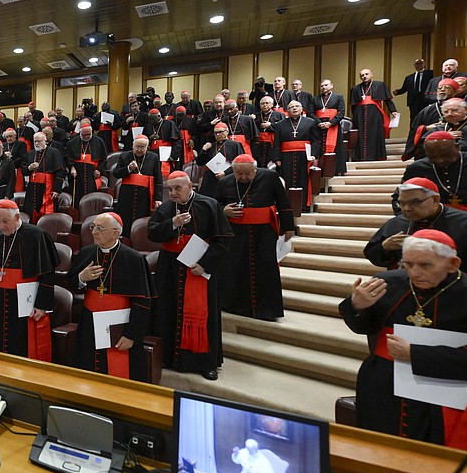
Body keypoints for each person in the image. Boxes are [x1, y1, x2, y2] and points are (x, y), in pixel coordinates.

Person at [339, 230, 467, 456]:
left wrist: (416, 355)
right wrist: (357, 306)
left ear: (453, 263)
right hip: (384, 390)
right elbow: (362, 327)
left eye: (425, 265)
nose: (414, 273)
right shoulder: (387, 284)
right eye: (408, 264)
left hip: (448, 396)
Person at [148, 172, 231, 379]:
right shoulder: (166, 209)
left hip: (199, 270)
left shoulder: (209, 205)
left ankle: (206, 363)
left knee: (204, 316)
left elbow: (223, 241)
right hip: (170, 268)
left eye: (177, 188)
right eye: (170, 189)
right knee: (168, 311)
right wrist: (173, 224)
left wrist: (204, 265)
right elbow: (152, 233)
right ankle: (168, 357)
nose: (173, 193)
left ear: (190, 186)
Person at [364, 178, 467, 290]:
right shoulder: (396, 223)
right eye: (401, 203)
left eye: (414, 202)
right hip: (405, 290)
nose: (406, 209)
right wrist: (384, 247)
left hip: (455, 293)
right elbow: (373, 255)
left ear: (435, 200)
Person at [65, 212, 151, 380]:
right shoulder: (87, 252)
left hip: (120, 326)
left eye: (99, 228)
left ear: (115, 232)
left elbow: (143, 302)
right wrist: (82, 278)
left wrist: (132, 334)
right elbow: (71, 283)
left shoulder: (134, 259)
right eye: (93, 227)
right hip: (89, 322)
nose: (94, 232)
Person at [216, 155, 295, 321]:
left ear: (255, 169)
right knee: (235, 268)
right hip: (235, 233)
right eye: (239, 174)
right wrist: (224, 211)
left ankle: (266, 310)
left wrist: (288, 227)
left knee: (265, 269)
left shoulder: (270, 177)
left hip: (264, 233)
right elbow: (215, 205)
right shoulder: (224, 182)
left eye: (247, 174)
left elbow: (283, 202)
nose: (243, 178)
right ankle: (234, 306)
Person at [0, 200, 57, 361]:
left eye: (5, 221)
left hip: (25, 300)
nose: (1, 226)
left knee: (23, 345)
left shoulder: (36, 235)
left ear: (17, 217)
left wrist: (41, 305)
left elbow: (47, 274)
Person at [271, 100, 321, 208]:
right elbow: (276, 143)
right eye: (291, 107)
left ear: (302, 109)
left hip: (304, 156)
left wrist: (313, 154)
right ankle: (287, 206)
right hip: (285, 157)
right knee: (287, 180)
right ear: (287, 111)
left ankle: (303, 205)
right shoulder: (279, 125)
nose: (294, 108)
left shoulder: (310, 122)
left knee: (303, 180)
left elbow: (316, 141)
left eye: (297, 106)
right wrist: (277, 158)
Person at [111, 136, 162, 228]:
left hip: (145, 196)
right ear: (132, 146)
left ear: (147, 147)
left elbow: (158, 179)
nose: (139, 149)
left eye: (142, 147)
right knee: (125, 220)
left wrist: (157, 198)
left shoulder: (153, 157)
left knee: (142, 221)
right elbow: (116, 173)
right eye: (137, 146)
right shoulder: (124, 156)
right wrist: (128, 168)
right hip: (127, 195)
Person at [349, 68, 398, 161]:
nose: (364, 76)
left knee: (376, 134)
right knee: (361, 136)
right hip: (360, 115)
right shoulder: (356, 88)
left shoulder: (380, 85)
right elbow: (353, 105)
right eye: (362, 75)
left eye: (366, 74)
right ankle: (361, 157)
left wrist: (393, 111)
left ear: (371, 74)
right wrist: (355, 118)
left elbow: (388, 100)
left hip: (375, 114)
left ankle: (377, 156)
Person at [21, 131, 65, 220]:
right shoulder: (31, 154)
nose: (37, 143)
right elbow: (23, 170)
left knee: (47, 211)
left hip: (48, 187)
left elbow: (60, 171)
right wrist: (29, 168)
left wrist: (56, 189)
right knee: (31, 210)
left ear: (45, 141)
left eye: (39, 141)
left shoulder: (54, 152)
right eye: (35, 141)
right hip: (32, 188)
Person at [64, 121, 108, 206]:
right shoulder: (72, 142)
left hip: (92, 174)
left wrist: (99, 170)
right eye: (84, 135)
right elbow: (68, 158)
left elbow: (104, 159)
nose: (87, 136)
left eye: (89, 134)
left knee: (91, 195)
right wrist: (72, 167)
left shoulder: (99, 141)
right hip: (77, 174)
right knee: (77, 196)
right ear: (80, 132)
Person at [315, 79, 347, 175]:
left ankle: (336, 170)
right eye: (322, 86)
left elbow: (341, 112)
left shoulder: (338, 97)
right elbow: (311, 113)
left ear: (331, 85)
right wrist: (318, 123)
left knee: (336, 148)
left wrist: (331, 123)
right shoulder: (315, 99)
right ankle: (320, 170)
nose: (324, 87)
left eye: (326, 85)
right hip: (319, 127)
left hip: (334, 126)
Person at [394, 58, 436, 125]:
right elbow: (404, 88)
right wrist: (397, 92)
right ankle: (413, 134)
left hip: (426, 100)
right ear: (414, 65)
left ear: (424, 64)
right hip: (413, 102)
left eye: (420, 63)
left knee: (426, 117)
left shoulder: (430, 74)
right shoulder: (409, 77)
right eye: (417, 64)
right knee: (413, 119)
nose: (418, 65)